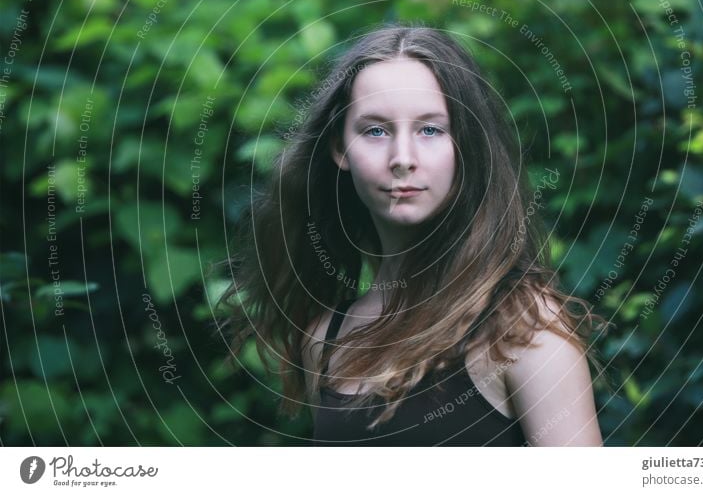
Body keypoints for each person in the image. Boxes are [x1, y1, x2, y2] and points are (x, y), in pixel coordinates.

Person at [219, 23, 609, 446]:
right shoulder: (326, 340)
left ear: (466, 147)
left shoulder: (521, 330)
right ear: (339, 150)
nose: (402, 158)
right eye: (375, 130)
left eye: (430, 129)